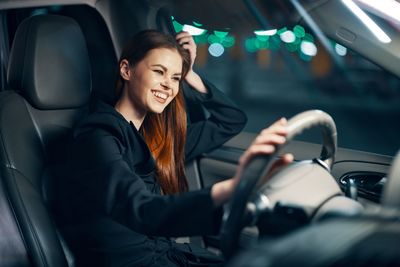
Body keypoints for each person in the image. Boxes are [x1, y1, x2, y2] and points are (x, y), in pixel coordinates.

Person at [55, 29, 293, 267]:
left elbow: (230, 121)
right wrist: (234, 186)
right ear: (127, 70)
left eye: (175, 77)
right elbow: (142, 210)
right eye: (159, 71)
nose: (168, 85)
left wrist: (191, 76)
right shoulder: (97, 137)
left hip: (166, 254)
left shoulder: (159, 138)